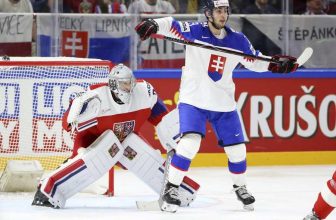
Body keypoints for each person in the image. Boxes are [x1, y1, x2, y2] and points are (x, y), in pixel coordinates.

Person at [135, 0, 299, 213]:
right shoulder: (194, 31)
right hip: (193, 99)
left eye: (226, 11)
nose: (223, 15)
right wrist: (153, 24)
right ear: (208, 14)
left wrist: (275, 65)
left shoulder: (237, 39)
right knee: (189, 144)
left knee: (238, 150)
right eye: (219, 11)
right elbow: (172, 24)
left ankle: (240, 187)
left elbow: (254, 61)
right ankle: (171, 188)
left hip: (223, 102)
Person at [31, 64, 199, 209]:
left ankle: (181, 190)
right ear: (113, 84)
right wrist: (72, 114)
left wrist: (174, 140)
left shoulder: (144, 92)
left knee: (145, 157)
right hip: (95, 139)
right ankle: (48, 191)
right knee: (91, 160)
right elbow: (68, 125)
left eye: (130, 82)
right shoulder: (96, 98)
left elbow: (162, 118)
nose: (129, 87)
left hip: (125, 137)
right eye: (124, 84)